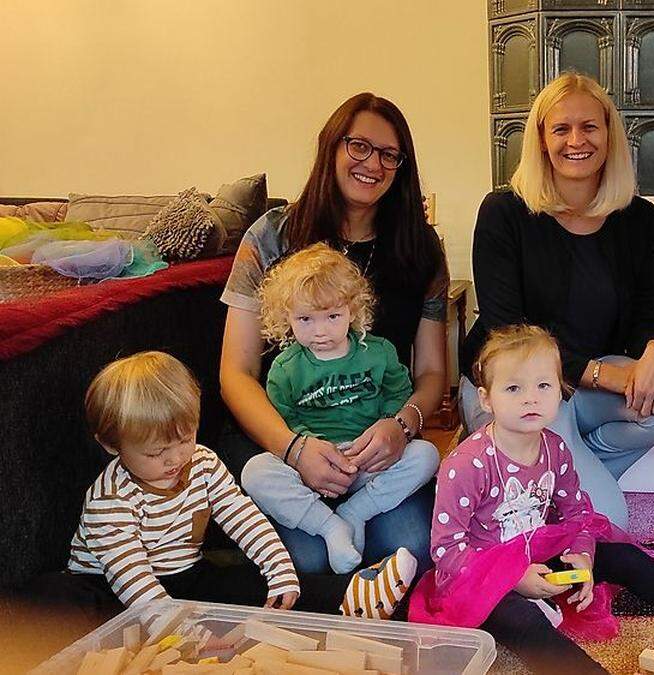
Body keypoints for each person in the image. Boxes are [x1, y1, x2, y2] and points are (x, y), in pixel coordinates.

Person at [410, 326, 654, 674]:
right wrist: (512, 577)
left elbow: (577, 515)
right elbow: (447, 551)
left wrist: (582, 557)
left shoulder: (554, 447)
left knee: (626, 556)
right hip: (479, 577)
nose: (531, 399)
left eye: (544, 386)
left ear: (560, 391)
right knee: (525, 621)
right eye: (514, 388)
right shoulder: (467, 464)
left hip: (536, 554)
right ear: (486, 399)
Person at [219, 92, 448, 574]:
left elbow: (431, 373)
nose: (373, 164)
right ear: (332, 147)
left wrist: (402, 425)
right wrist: (293, 448)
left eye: (390, 154)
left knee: (411, 547)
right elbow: (235, 374)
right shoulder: (270, 236)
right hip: (290, 437)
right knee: (306, 559)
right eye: (359, 146)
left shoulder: (420, 248)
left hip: (377, 448)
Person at [461, 73, 654, 528]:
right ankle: (566, 488)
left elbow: (645, 311)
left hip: (585, 390)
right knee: (610, 523)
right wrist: (605, 375)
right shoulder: (503, 212)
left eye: (589, 127)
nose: (576, 141)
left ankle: (548, 487)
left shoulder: (640, 218)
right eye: (561, 129)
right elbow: (504, 333)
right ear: (541, 140)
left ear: (609, 135)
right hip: (517, 385)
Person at [65, 351, 417, 619]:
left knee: (258, 584)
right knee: (83, 608)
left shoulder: (200, 461)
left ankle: (349, 596)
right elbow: (132, 579)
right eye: (157, 452)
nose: (175, 459)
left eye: (185, 439)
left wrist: (279, 571)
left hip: (186, 575)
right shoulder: (109, 501)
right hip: (116, 590)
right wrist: (177, 631)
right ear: (112, 447)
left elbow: (242, 517)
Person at [240, 243, 439, 574]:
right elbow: (285, 421)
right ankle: (329, 526)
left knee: (426, 455)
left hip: (369, 461)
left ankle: (354, 514)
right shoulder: (285, 368)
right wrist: (308, 449)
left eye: (332, 316)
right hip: (312, 467)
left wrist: (390, 426)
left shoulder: (380, 353)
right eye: (305, 319)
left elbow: (399, 394)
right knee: (256, 472)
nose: (320, 331)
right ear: (285, 317)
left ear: (353, 310)